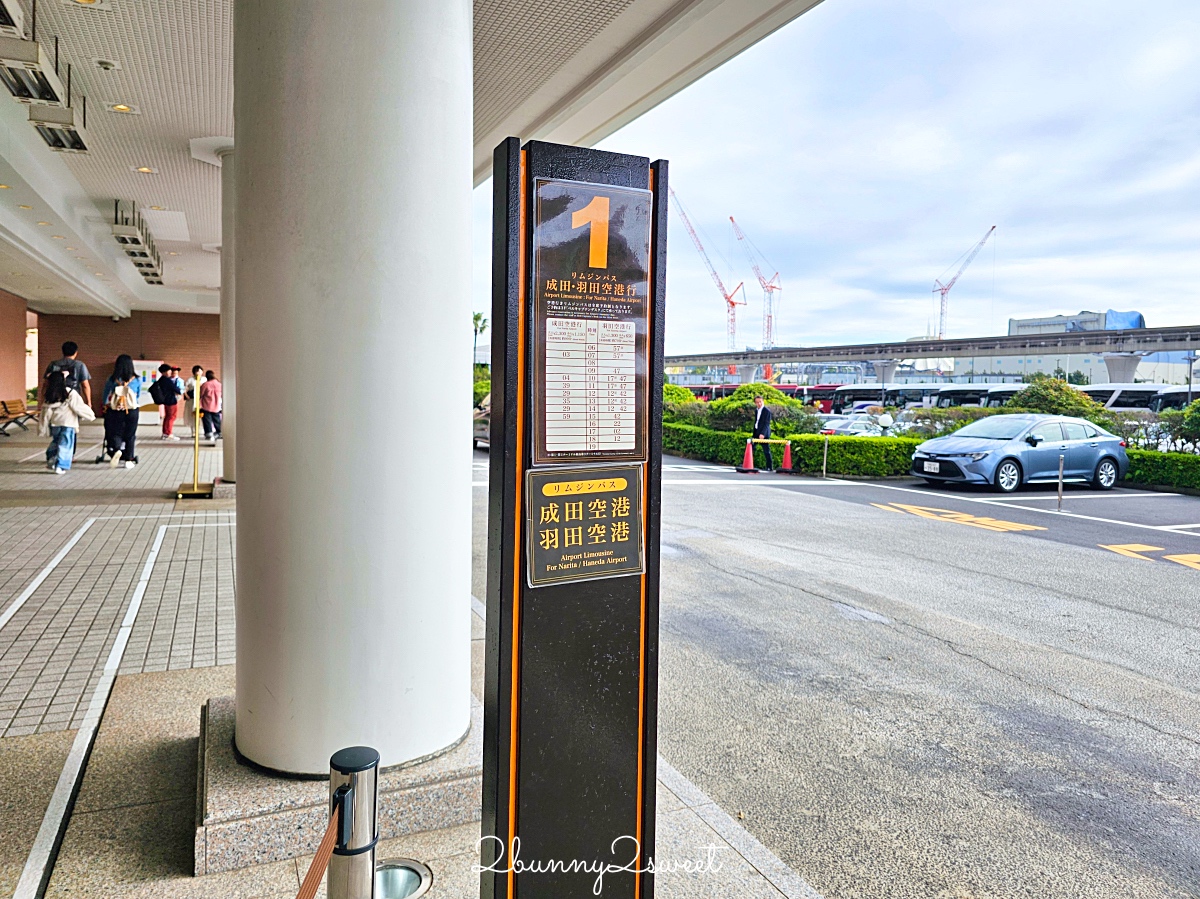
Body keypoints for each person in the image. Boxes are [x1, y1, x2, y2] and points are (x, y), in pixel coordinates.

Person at [38, 370, 95, 473]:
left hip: (55, 423)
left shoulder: (50, 394)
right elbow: (78, 406)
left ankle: (52, 459)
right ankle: (61, 465)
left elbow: (46, 410)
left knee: (56, 441)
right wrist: (90, 414)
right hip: (68, 423)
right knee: (66, 443)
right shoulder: (69, 392)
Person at [99, 354, 142, 468]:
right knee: (130, 434)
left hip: (115, 410)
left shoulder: (112, 379)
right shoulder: (136, 379)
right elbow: (137, 395)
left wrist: (105, 405)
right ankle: (128, 459)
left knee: (116, 432)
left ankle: (117, 449)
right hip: (132, 411)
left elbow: (105, 395)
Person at [42, 340, 92, 408]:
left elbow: (46, 383)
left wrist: (43, 399)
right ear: (76, 352)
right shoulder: (80, 365)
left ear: (63, 352)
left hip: (55, 397)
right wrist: (88, 402)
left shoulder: (53, 364)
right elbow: (85, 386)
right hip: (73, 397)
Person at [149, 363, 183, 439]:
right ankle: (169, 434)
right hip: (171, 401)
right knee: (171, 417)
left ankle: (165, 433)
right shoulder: (168, 380)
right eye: (168, 371)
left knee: (167, 417)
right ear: (163, 372)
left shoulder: (161, 380)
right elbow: (177, 390)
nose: (170, 372)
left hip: (165, 401)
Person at [751, 394, 774, 471]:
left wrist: (763, 434)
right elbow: (756, 422)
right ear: (755, 403)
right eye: (757, 402)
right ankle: (748, 463)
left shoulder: (766, 411)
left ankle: (769, 466)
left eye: (760, 402)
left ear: (763, 401)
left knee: (766, 450)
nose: (759, 404)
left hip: (764, 434)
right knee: (751, 448)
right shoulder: (756, 411)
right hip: (757, 432)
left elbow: (766, 423)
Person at [199, 370, 223, 440]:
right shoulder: (219, 384)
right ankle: (219, 432)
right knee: (217, 420)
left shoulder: (205, 384)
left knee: (207, 420)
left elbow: (201, 394)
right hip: (216, 406)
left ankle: (209, 433)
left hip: (206, 405)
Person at [184, 365, 205, 438]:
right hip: (192, 401)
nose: (199, 372)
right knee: (192, 416)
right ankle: (193, 431)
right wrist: (186, 396)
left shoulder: (204, 379)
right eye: (197, 371)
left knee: (201, 416)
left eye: (200, 371)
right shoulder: (190, 379)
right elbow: (184, 389)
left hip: (201, 401)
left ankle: (202, 430)